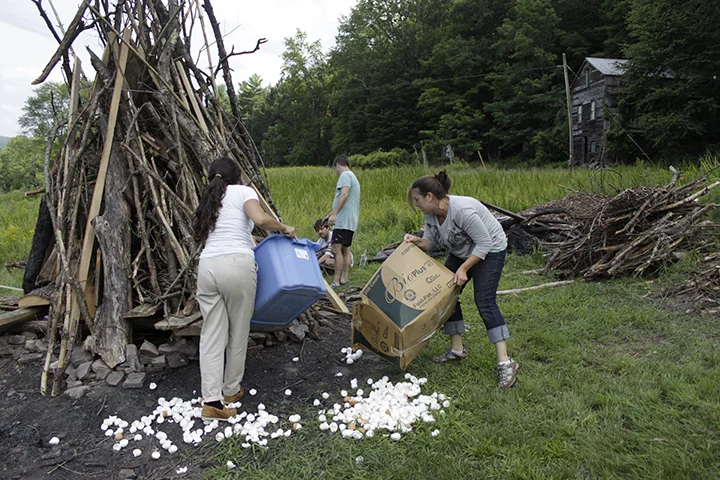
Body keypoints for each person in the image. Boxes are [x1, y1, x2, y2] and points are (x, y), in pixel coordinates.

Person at [193, 156, 295, 421]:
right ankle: (231, 390)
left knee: (212, 333)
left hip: (207, 267)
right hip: (236, 265)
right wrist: (284, 227)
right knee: (238, 330)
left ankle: (211, 400)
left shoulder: (210, 199)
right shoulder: (243, 191)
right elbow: (260, 219)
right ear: (236, 176)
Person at [403, 170, 518, 388]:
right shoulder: (431, 214)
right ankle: (457, 350)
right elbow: (432, 243)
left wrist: (464, 269)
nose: (416, 204)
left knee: (484, 302)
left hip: (491, 249)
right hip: (462, 251)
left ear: (429, 196)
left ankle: (506, 362)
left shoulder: (463, 210)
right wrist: (417, 242)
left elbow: (484, 243)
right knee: (447, 295)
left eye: (417, 200)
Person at [327, 155, 360, 288]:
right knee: (345, 249)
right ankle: (344, 279)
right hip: (350, 219)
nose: (336, 172)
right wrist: (330, 214)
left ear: (338, 165)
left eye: (335, 169)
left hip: (342, 220)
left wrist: (334, 214)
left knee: (336, 249)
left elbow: (344, 194)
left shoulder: (345, 176)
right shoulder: (353, 176)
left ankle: (336, 281)